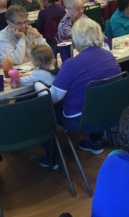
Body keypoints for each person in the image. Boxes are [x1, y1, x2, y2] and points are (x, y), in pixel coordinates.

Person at [49, 18, 122, 157]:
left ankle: (51, 157)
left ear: (75, 39)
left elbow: (53, 98)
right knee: (95, 98)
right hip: (112, 111)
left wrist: (39, 84)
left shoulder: (72, 64)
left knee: (47, 107)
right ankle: (95, 141)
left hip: (82, 119)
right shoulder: (109, 55)